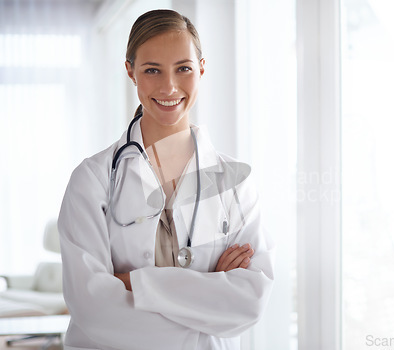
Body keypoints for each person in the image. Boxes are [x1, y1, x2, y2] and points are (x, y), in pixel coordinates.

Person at [58, 9, 274, 350]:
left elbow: (249, 303)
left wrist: (135, 284)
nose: (169, 86)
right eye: (152, 70)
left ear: (201, 69)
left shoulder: (236, 183)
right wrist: (208, 293)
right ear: (130, 71)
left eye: (183, 68)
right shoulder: (92, 180)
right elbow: (93, 307)